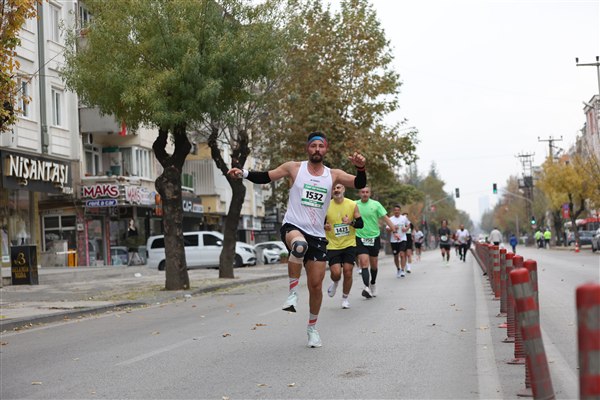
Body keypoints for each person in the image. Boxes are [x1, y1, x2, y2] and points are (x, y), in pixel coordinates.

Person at [227, 132, 366, 348]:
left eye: (321, 146)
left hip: (317, 235)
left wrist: (361, 168)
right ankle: (292, 294)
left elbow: (358, 183)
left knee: (316, 286)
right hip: (294, 226)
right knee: (299, 246)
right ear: (307, 148)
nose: (317, 149)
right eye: (313, 146)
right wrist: (242, 173)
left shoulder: (333, 175)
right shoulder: (294, 168)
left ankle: (312, 328)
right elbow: (266, 176)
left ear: (325, 149)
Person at [324, 183, 363, 309]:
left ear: (343, 189)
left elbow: (360, 224)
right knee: (336, 273)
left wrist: (350, 222)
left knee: (348, 271)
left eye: (338, 187)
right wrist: (324, 226)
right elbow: (318, 223)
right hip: (332, 244)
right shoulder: (326, 205)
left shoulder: (352, 204)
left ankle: (345, 298)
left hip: (349, 244)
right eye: (334, 188)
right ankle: (335, 282)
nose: (336, 190)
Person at [355, 186, 399, 298]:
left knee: (374, 265)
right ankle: (366, 288)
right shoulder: (354, 205)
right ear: (359, 193)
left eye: (367, 192)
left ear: (370, 193)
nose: (365, 194)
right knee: (364, 263)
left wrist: (394, 231)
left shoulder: (376, 204)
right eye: (363, 192)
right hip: (360, 237)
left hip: (374, 237)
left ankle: (373, 283)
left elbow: (386, 219)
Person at [387, 205, 409, 278]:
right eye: (395, 210)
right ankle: (398, 269)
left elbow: (408, 225)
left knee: (402, 254)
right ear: (393, 211)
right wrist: (393, 228)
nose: (396, 211)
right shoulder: (390, 219)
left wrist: (406, 229)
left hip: (402, 239)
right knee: (396, 256)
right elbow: (387, 229)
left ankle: (402, 270)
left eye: (398, 210)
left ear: (400, 211)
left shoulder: (404, 218)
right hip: (394, 240)